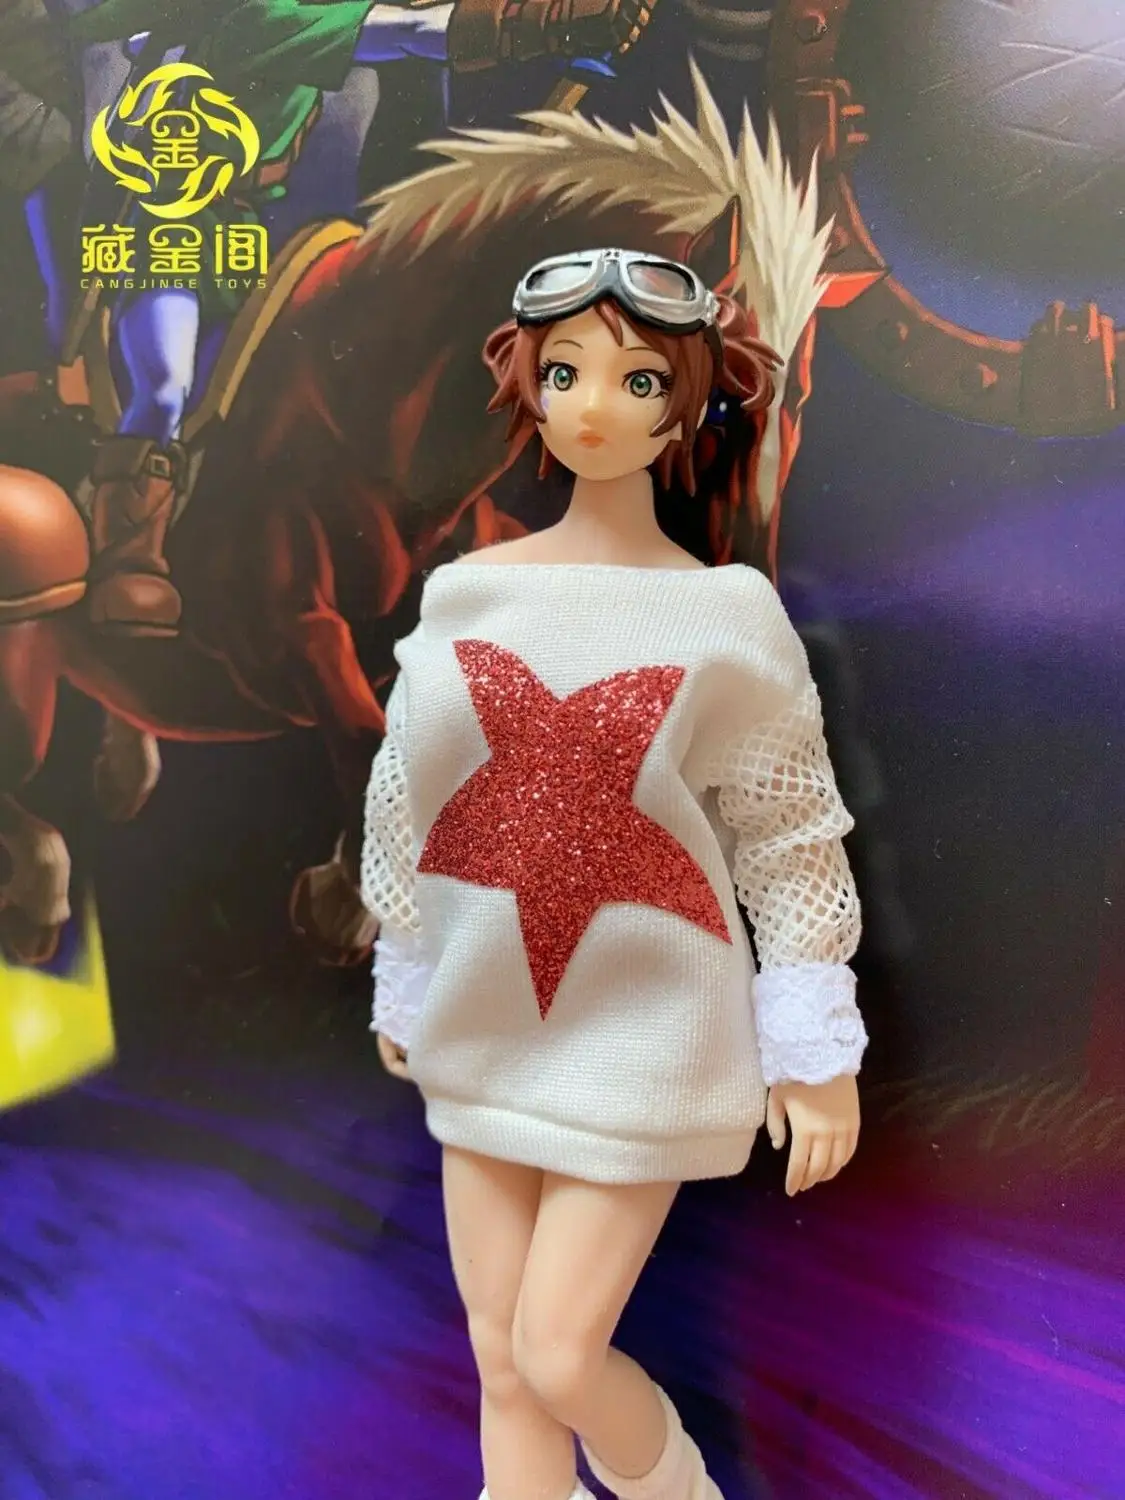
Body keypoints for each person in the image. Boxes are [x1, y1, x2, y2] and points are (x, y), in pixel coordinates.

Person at [360, 248, 868, 1500]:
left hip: (645, 1034)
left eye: (639, 380)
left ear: (685, 405)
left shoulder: (725, 613)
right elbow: (406, 791)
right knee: (501, 1361)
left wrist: (812, 1042)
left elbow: (786, 829)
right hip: (483, 1018)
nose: (593, 405)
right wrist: (406, 969)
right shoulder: (466, 593)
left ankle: (675, 1492)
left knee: (558, 1350)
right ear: (526, 387)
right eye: (565, 372)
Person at [62, 0, 656, 636]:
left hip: (265, 225)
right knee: (164, 386)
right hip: (174, 227)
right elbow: (406, 32)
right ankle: (128, 557)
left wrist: (555, 34)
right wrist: (541, 23)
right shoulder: (259, 16)